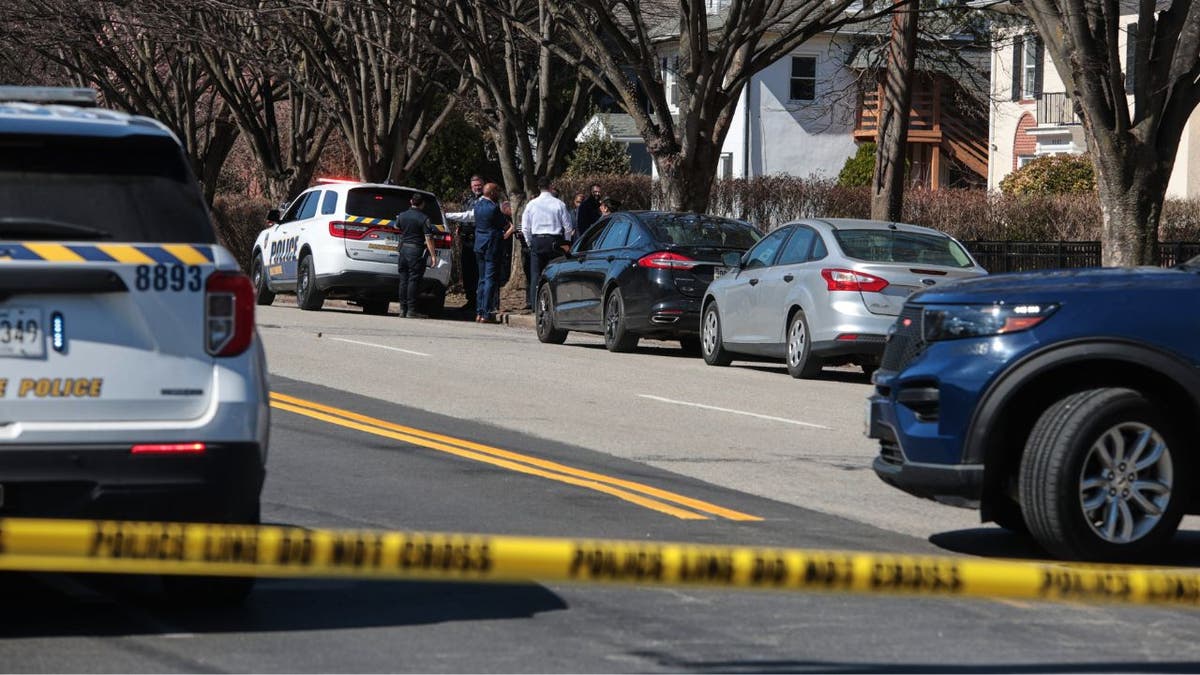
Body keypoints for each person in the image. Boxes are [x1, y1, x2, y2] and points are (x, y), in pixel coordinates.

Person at [521, 177, 575, 309]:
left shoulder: (531, 205)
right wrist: (567, 243)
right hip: (554, 241)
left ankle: (535, 305)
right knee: (555, 273)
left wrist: (529, 243)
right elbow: (568, 227)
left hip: (537, 240)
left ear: (539, 188)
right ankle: (556, 303)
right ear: (550, 187)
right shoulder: (559, 204)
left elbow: (525, 228)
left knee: (535, 275)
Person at [393, 193, 438, 319]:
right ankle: (411, 310)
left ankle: (402, 309)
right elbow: (428, 238)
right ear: (422, 204)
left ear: (411, 201)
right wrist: (433, 256)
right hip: (416, 251)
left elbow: (396, 226)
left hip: (403, 250)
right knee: (413, 280)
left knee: (403, 280)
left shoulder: (402, 215)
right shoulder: (424, 218)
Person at [444, 175, 485, 312]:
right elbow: (463, 215)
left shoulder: (486, 200)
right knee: (467, 270)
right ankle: (470, 299)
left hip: (478, 238)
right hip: (466, 239)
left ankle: (480, 302)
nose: (477, 188)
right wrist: (458, 229)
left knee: (478, 271)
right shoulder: (468, 200)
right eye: (474, 185)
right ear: (471, 186)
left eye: (479, 185)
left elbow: (470, 216)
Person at [473, 183, 513, 323]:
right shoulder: (493, 208)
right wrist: (509, 230)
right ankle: (486, 311)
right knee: (490, 279)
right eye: (496, 191)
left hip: (479, 244)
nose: (498, 193)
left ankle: (478, 311)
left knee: (481, 279)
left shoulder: (477, 206)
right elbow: (504, 225)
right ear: (491, 193)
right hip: (492, 246)